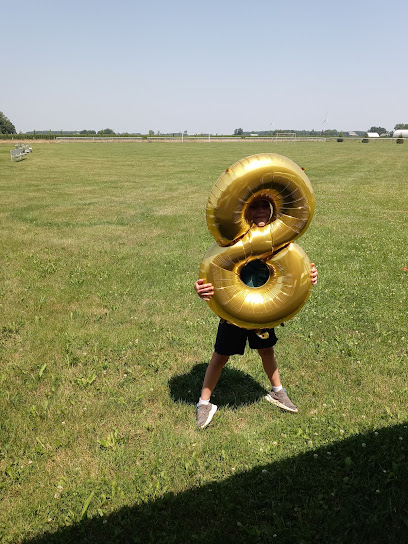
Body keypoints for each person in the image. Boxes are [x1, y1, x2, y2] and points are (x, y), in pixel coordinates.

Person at [194, 198, 318, 429]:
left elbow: (296, 268)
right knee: (220, 356)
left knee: (266, 350)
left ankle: (278, 391)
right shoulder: (234, 241)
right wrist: (199, 287)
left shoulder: (279, 242)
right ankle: (204, 402)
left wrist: (309, 275)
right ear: (244, 211)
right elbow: (211, 270)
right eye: (254, 207)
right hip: (234, 309)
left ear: (272, 211)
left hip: (264, 307)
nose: (260, 211)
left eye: (265, 207)